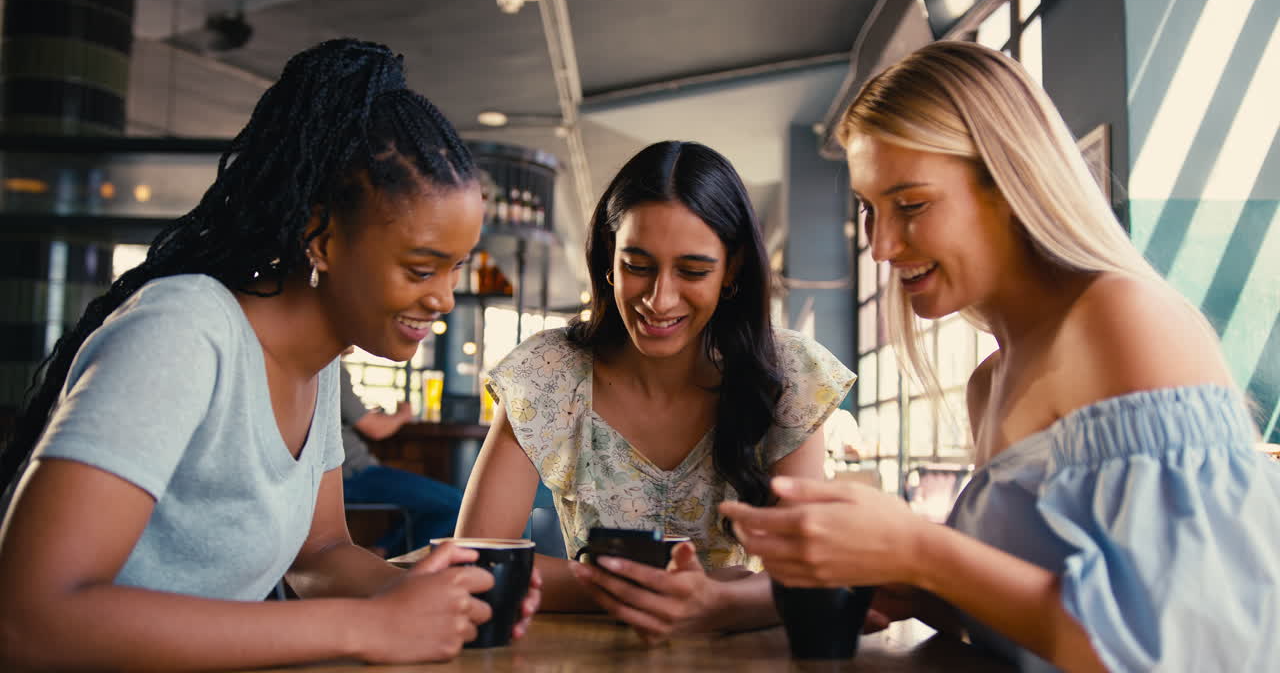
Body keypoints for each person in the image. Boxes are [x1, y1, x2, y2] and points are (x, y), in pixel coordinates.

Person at [721, 40, 1280, 672]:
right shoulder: (990, 381)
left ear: (1010, 184)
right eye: (869, 211)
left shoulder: (1122, 319)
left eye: (910, 205)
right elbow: (1046, 612)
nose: (879, 246)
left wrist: (920, 552)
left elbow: (1171, 648)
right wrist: (916, 587)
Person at [0, 39, 540, 671]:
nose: (444, 299)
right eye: (422, 267)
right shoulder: (183, 333)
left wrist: (422, 597)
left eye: (456, 268)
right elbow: (27, 620)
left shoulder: (321, 364)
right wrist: (366, 625)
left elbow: (319, 554)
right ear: (320, 235)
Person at [455, 140, 855, 642]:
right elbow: (477, 558)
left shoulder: (788, 375)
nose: (659, 299)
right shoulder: (549, 371)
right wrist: (705, 592)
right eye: (637, 265)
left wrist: (717, 604)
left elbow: (808, 573)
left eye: (692, 270)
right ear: (608, 257)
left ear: (731, 269)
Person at [339, 360, 461, 555]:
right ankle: (391, 559)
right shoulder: (331, 369)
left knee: (435, 503)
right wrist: (403, 415)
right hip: (351, 474)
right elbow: (375, 428)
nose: (353, 348)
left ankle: (383, 551)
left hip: (337, 474)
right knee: (454, 503)